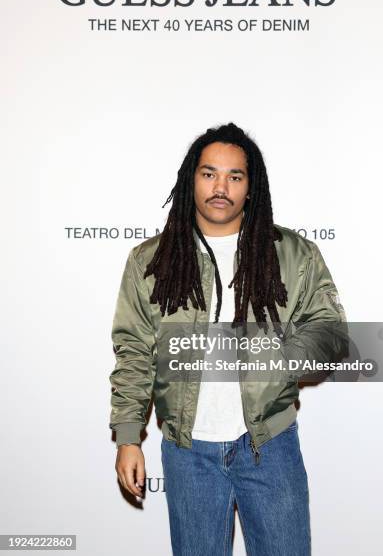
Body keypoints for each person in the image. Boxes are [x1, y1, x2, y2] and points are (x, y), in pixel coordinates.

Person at [109, 122, 348, 556]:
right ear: (190, 181)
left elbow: (330, 332)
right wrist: (129, 436)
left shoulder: (293, 254)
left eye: (235, 176)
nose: (221, 187)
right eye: (209, 174)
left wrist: (278, 356)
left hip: (270, 445)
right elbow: (134, 353)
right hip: (187, 452)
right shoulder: (149, 260)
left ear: (251, 188)